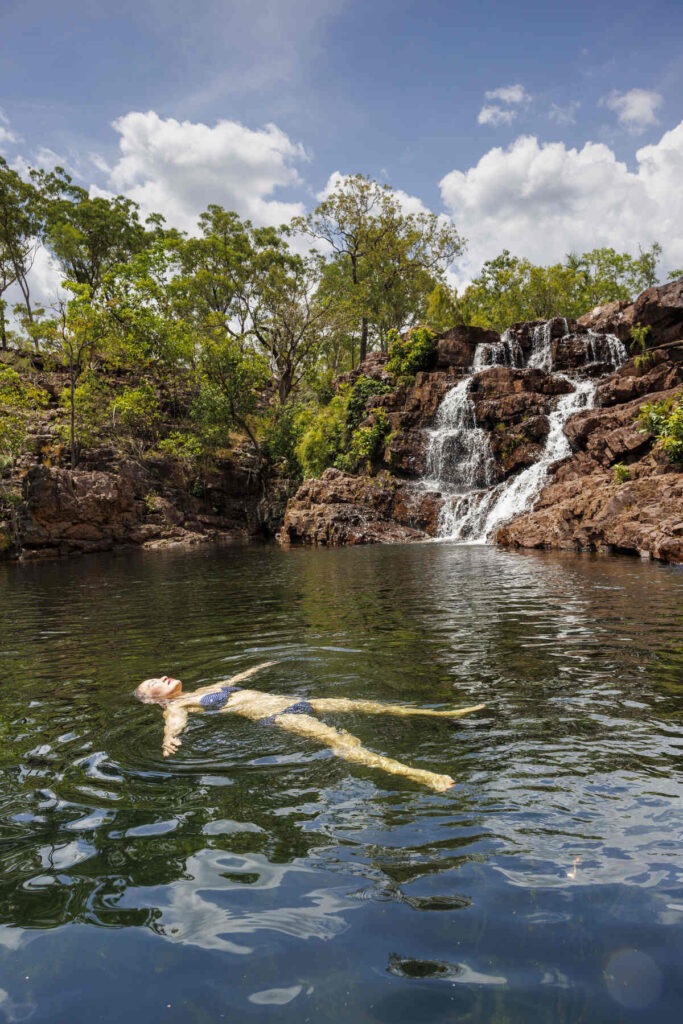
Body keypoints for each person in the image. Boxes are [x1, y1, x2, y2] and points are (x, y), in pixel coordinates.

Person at [134, 662, 485, 792]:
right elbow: (174, 724)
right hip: (282, 716)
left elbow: (233, 680)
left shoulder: (202, 690)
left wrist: (256, 669)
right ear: (157, 698)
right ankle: (419, 775)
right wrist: (170, 741)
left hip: (291, 699)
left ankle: (439, 714)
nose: (164, 677)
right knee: (345, 742)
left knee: (367, 705)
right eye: (157, 682)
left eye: (161, 675)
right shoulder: (177, 705)